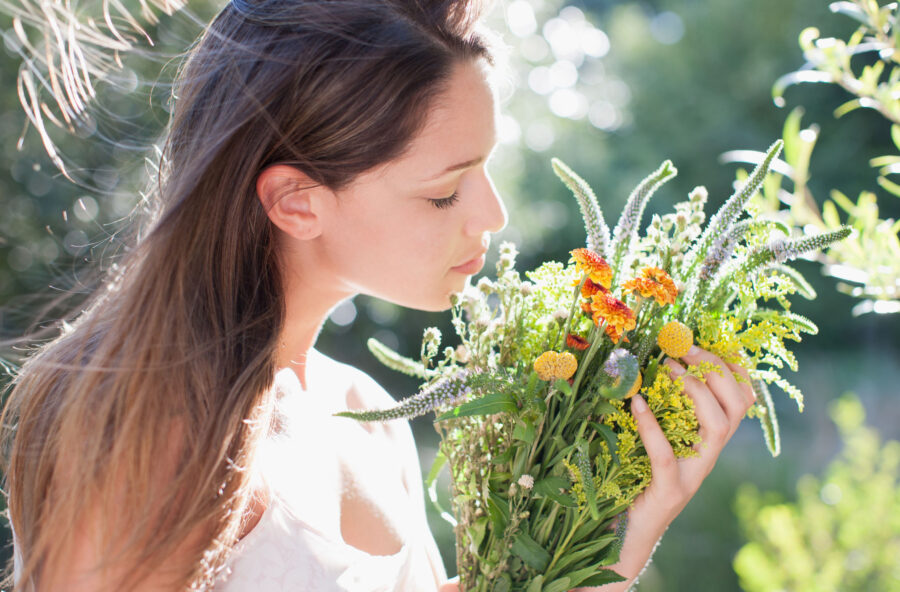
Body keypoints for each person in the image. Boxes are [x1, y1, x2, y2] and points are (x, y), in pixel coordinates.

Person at [0, 0, 757, 590]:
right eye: (443, 192)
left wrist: (626, 531)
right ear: (296, 202)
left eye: (484, 169)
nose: (492, 215)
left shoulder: (365, 411)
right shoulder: (143, 424)